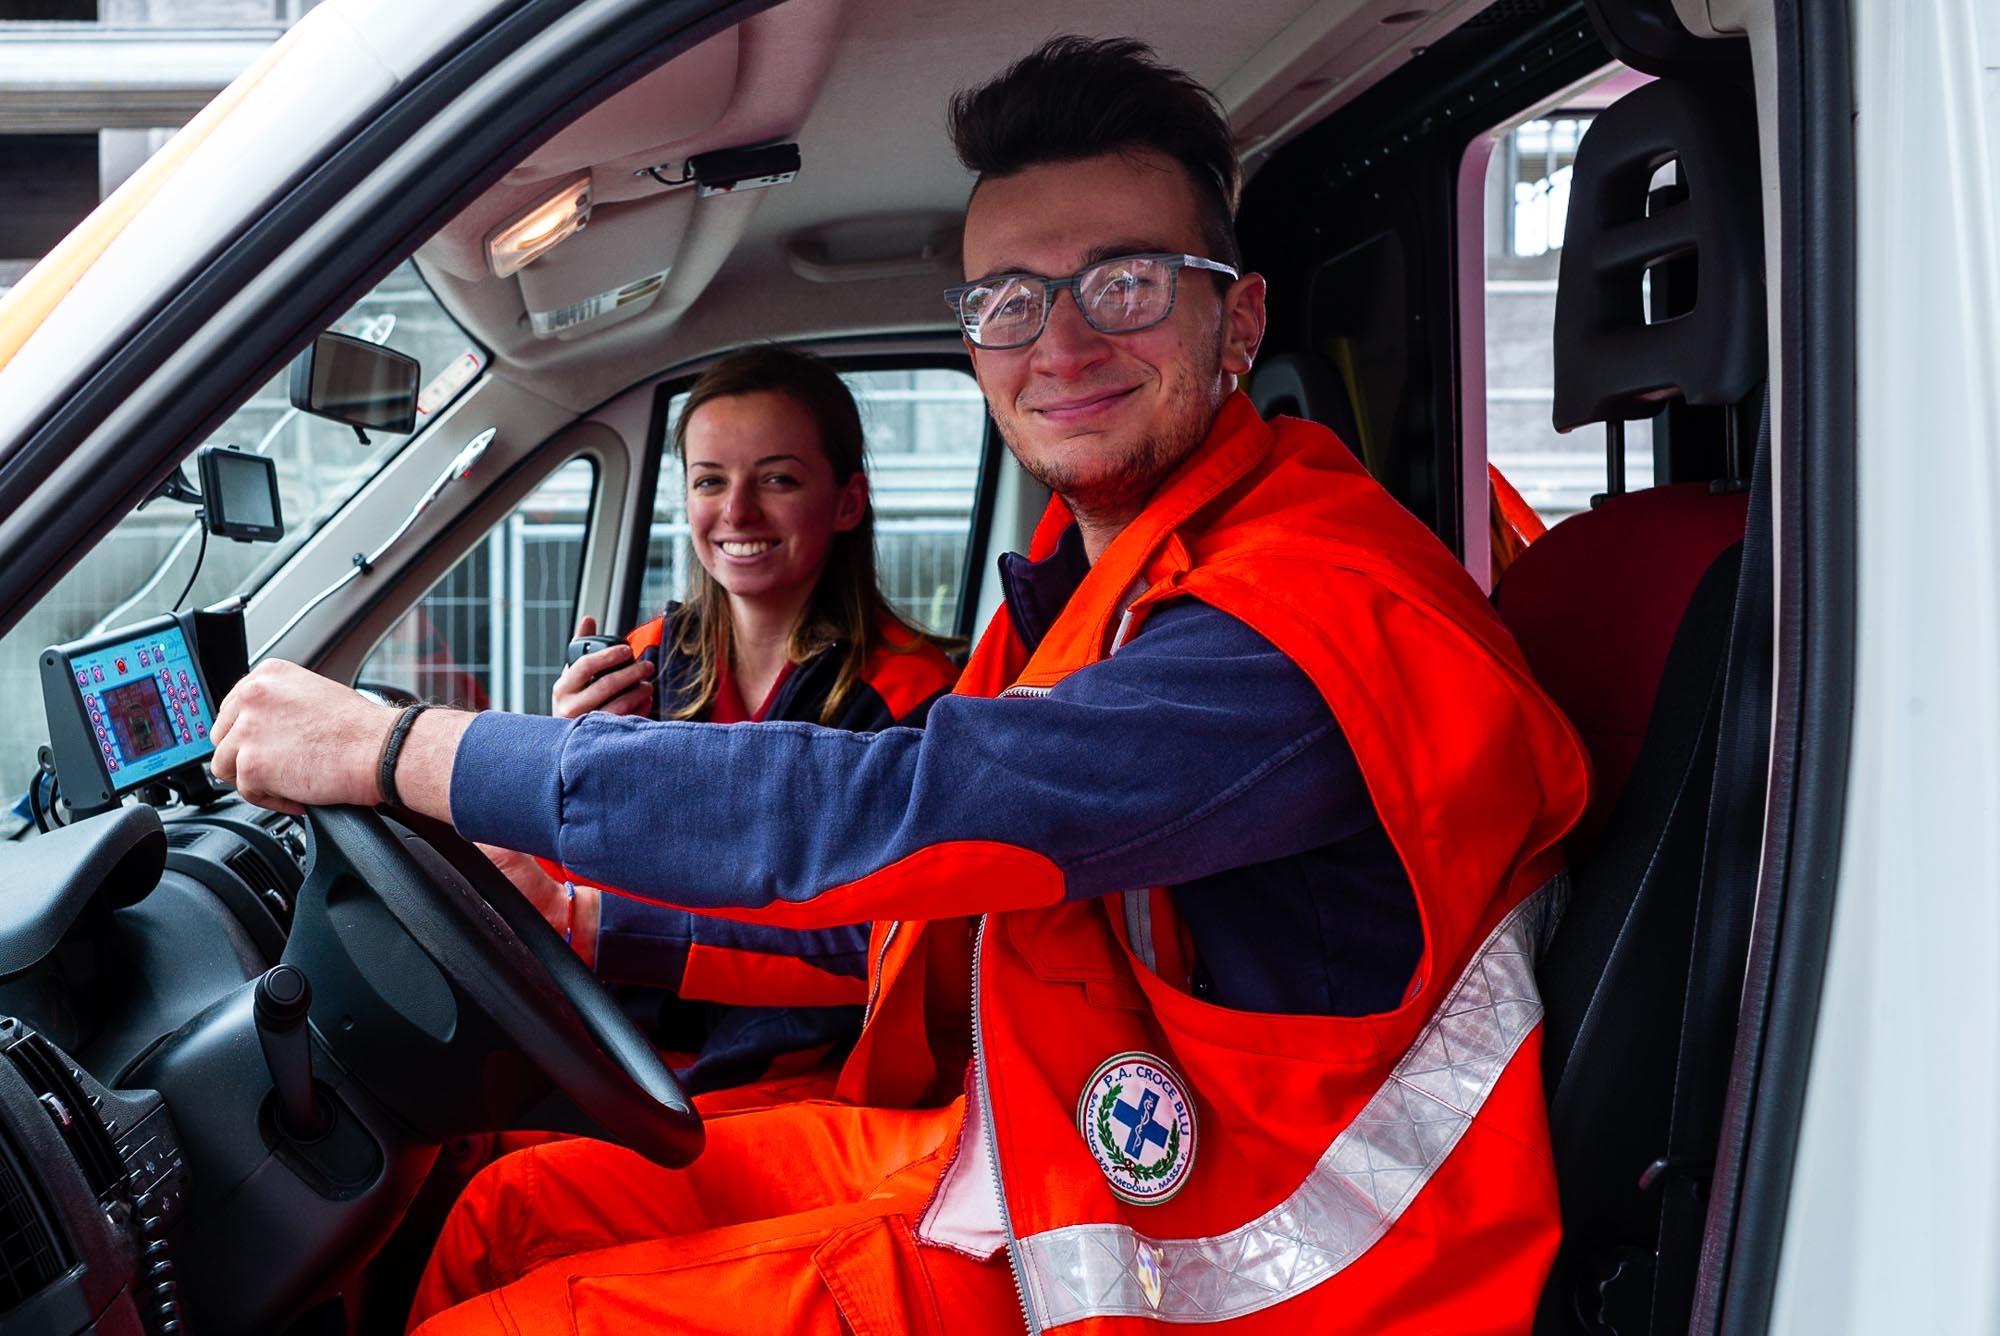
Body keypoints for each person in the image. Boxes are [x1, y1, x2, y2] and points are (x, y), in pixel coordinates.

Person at [212, 36, 1590, 1334]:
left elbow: (882, 810)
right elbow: (901, 920)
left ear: (1237, 323)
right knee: (513, 1208)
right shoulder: (1099, 588)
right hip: (1054, 1149)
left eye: (1125, 283)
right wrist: (592, 914)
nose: (1059, 342)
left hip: (1246, 1262)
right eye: (1007, 300)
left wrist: (394, 750)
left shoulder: (1302, 616)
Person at [490, 345, 958, 1101]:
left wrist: (602, 923)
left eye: (777, 479)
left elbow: (875, 951)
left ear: (847, 502)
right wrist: (564, 761)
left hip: (803, 1078)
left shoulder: (914, 700)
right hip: (624, 1051)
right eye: (711, 481)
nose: (737, 512)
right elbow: (557, 877)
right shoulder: (639, 661)